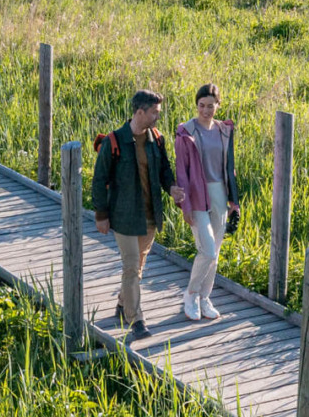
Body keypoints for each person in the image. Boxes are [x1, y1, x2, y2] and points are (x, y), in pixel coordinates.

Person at [93, 89, 184, 340]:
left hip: (150, 214)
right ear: (140, 111)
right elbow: (99, 180)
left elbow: (164, 169)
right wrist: (101, 215)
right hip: (123, 216)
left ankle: (123, 305)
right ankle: (136, 320)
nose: (158, 117)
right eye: (154, 112)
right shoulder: (114, 141)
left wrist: (172, 188)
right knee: (131, 266)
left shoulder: (156, 138)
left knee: (138, 267)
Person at [174, 84, 238, 321]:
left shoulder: (224, 130)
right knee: (207, 251)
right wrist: (185, 205)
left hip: (220, 193)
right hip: (196, 194)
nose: (206, 110)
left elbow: (230, 167)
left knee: (216, 251)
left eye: (211, 106)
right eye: (202, 105)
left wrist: (234, 200)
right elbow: (181, 172)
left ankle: (205, 297)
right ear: (196, 105)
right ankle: (191, 294)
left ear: (218, 105)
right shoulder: (186, 132)